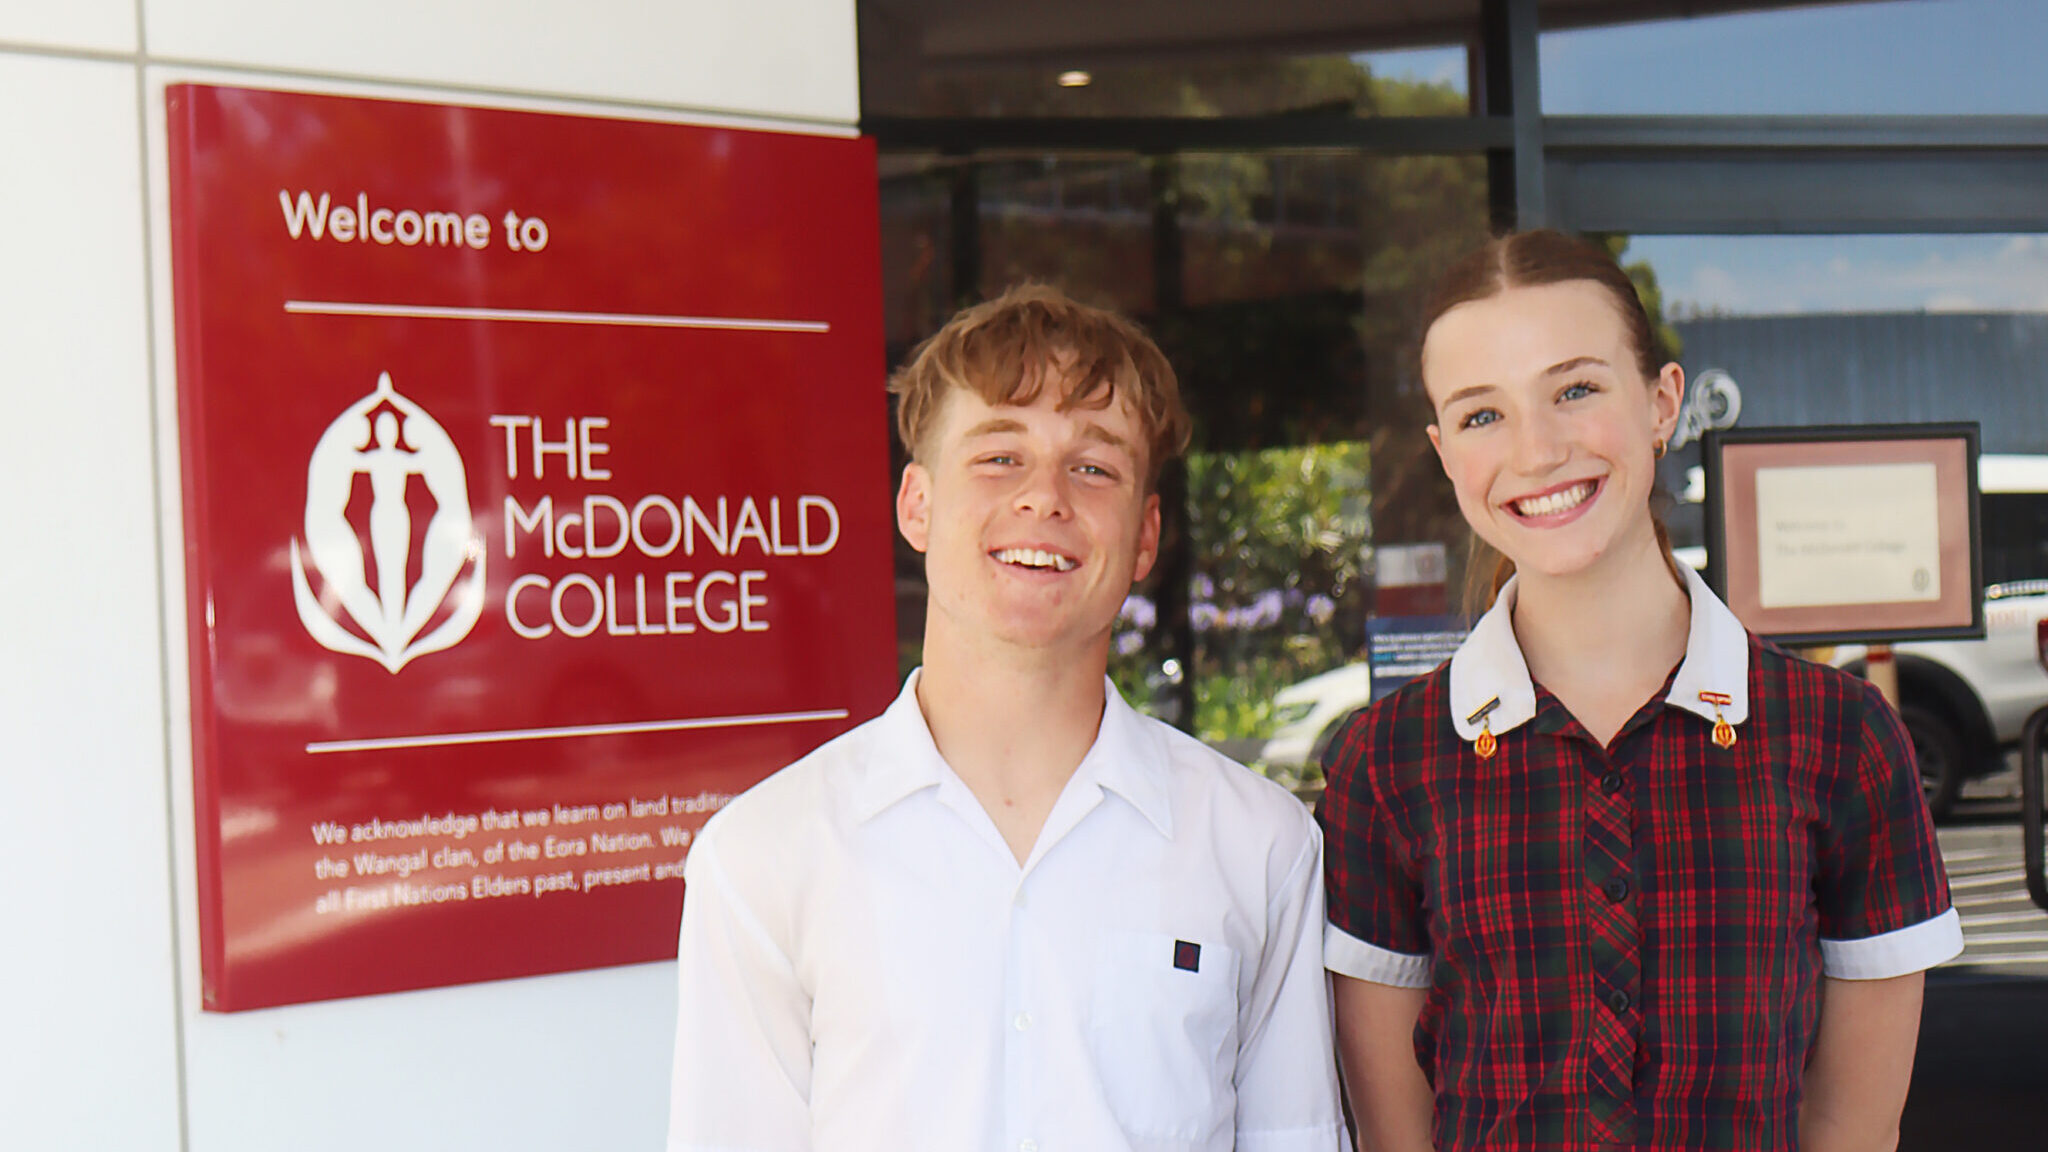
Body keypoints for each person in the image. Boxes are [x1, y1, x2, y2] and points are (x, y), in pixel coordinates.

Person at [1317, 231, 1963, 1152]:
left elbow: (1853, 1126)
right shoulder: (1384, 763)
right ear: (1442, 451)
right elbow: (1396, 1135)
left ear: (1663, 403)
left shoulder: (1843, 738)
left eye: (1575, 390)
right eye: (1480, 415)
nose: (1536, 451)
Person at [668, 283, 1346, 1152]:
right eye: (998, 456)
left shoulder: (1261, 846)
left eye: (1094, 465)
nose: (1045, 497)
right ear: (916, 504)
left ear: (1145, 536)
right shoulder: (764, 855)